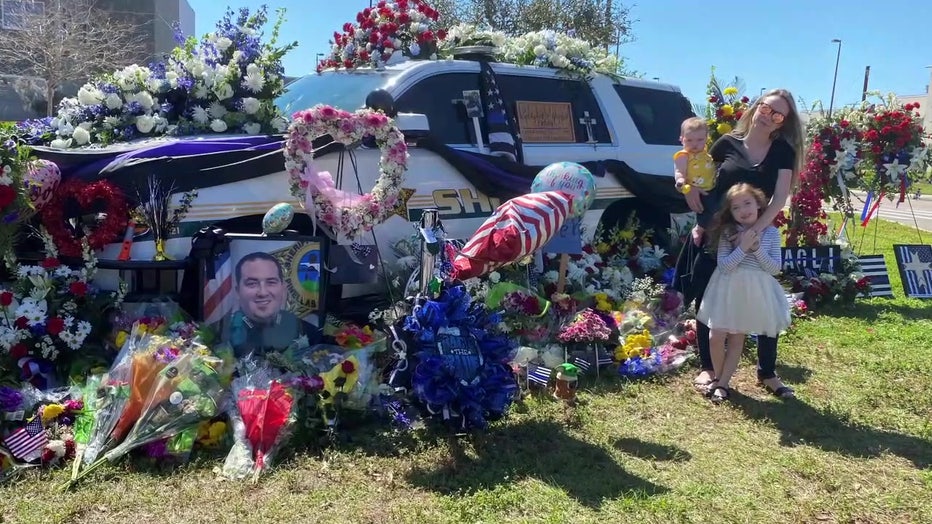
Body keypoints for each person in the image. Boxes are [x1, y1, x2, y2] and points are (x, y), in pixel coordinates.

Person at [677, 89, 804, 399]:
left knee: (762, 302)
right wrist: (685, 189)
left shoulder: (782, 151)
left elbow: (778, 200)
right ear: (756, 107)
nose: (767, 115)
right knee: (707, 296)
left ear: (783, 122)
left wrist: (754, 234)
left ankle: (767, 372)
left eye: (777, 114)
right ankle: (709, 367)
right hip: (716, 233)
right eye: (765, 107)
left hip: (756, 234)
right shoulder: (726, 143)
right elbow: (699, 174)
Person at [696, 184, 791, 403]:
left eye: (747, 203)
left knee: (737, 338)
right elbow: (725, 266)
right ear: (731, 212)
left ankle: (722, 383)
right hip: (727, 288)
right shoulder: (729, 233)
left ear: (759, 204)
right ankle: (719, 376)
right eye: (736, 207)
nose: (743, 210)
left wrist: (756, 248)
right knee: (716, 336)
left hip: (753, 292)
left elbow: (775, 268)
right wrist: (742, 246)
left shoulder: (771, 233)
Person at [225, 251, 324, 359]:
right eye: (252, 283)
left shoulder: (309, 333)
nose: (263, 293)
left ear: (283, 289)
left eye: (271, 282)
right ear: (237, 291)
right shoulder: (220, 333)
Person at [673, 117, 717, 246]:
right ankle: (699, 229)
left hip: (712, 187)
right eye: (689, 140)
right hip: (697, 189)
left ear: (706, 138)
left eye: (700, 140)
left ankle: (710, 234)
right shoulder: (683, 155)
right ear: (681, 139)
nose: (694, 144)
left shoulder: (706, 154)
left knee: (717, 210)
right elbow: (679, 171)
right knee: (705, 210)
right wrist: (680, 181)